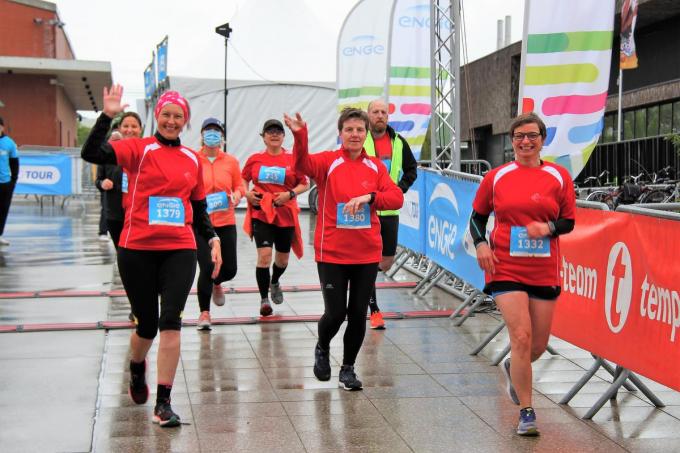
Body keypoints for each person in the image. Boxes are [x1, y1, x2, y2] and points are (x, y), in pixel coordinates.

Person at [81, 85, 222, 427]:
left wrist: (212, 236)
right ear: (156, 117)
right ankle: (136, 365)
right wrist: (107, 115)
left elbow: (198, 206)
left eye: (178, 116)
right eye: (166, 115)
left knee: (170, 320)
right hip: (137, 248)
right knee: (146, 324)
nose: (171, 121)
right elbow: (92, 153)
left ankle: (164, 402)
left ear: (185, 121)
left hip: (179, 248)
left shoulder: (192, 159)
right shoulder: (138, 150)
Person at [469, 112, 576, 436]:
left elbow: (569, 222)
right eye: (519, 137)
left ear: (542, 139)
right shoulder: (498, 177)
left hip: (543, 269)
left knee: (538, 345)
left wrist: (547, 227)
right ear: (512, 142)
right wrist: (481, 244)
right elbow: (476, 217)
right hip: (505, 267)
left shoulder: (558, 177)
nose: (525, 141)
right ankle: (526, 412)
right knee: (521, 336)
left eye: (532, 135)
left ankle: (515, 369)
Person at [284, 108, 403, 391]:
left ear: (365, 134)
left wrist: (371, 197)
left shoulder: (374, 166)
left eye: (359, 130)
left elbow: (395, 197)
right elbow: (300, 166)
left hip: (365, 254)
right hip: (332, 253)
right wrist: (301, 135)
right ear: (340, 133)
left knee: (358, 312)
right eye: (349, 129)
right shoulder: (328, 162)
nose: (355, 134)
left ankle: (348, 368)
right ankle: (322, 346)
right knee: (335, 313)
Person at [241, 119, 309, 317]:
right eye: (269, 131)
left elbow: (304, 183)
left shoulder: (293, 159)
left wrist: (291, 194)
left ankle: (275, 281)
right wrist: (246, 194)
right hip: (261, 212)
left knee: (282, 259)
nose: (274, 134)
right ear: (263, 137)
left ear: (283, 136)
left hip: (285, 214)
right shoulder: (255, 159)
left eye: (278, 131)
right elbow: (242, 178)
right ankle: (264, 300)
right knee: (264, 257)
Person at [363, 99, 417, 329]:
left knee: (385, 261)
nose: (379, 116)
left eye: (383, 112)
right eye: (375, 112)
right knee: (367, 260)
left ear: (388, 116)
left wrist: (399, 189)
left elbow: (412, 170)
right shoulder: (359, 139)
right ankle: (374, 310)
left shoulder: (397, 142)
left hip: (389, 209)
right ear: (368, 115)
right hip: (365, 209)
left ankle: (361, 279)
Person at [195, 117, 245, 330]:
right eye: (208, 130)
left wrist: (237, 193)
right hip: (201, 223)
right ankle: (204, 313)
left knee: (230, 269)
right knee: (206, 267)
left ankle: (218, 283)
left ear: (222, 137)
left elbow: (240, 184)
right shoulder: (194, 158)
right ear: (202, 135)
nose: (212, 134)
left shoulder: (230, 161)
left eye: (216, 131)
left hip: (225, 220)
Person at [95, 112, 143, 248]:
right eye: (126, 126)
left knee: (135, 253)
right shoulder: (110, 154)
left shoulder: (147, 152)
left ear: (140, 129)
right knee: (121, 250)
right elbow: (98, 180)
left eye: (134, 126)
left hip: (139, 214)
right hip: (115, 213)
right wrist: (102, 183)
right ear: (120, 128)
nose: (129, 130)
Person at [0, 116, 19, 246]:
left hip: (4, 183)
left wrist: (13, 182)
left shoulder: (9, 143)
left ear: (2, 127)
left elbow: (15, 164)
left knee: (2, 210)